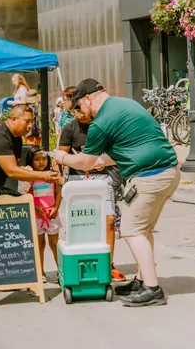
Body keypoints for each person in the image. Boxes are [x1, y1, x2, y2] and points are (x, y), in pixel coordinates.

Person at [52, 79, 179, 307]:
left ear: (87, 99)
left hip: (150, 176)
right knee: (143, 229)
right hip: (166, 170)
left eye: (78, 107)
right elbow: (131, 145)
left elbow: (83, 162)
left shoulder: (101, 121)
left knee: (132, 230)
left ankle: (152, 288)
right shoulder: (124, 105)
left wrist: (60, 157)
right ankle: (141, 280)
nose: (80, 113)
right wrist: (102, 160)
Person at [58, 109, 126, 282]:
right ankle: (79, 260)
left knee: (109, 220)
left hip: (103, 176)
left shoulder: (102, 126)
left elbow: (116, 149)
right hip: (77, 177)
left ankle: (109, 264)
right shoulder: (69, 129)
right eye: (76, 111)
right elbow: (62, 155)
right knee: (80, 221)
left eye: (82, 110)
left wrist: (103, 161)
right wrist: (61, 176)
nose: (80, 114)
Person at [25, 146, 62, 283]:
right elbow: (26, 194)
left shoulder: (52, 175)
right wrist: (35, 208)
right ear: (31, 160)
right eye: (37, 159)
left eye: (44, 159)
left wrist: (56, 208)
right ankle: (40, 272)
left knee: (54, 244)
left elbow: (58, 193)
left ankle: (61, 270)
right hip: (36, 216)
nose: (41, 162)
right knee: (39, 245)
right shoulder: (29, 177)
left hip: (52, 214)